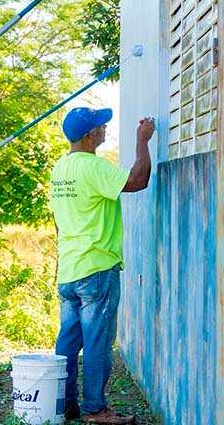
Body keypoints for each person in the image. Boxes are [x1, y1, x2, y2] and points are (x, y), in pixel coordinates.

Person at [49, 107, 155, 424]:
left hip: (69, 269)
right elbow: (138, 180)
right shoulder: (91, 167)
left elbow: (58, 220)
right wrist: (142, 140)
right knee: (97, 341)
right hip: (96, 268)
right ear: (88, 136)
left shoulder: (60, 169)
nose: (104, 128)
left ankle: (64, 403)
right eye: (100, 125)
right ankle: (95, 408)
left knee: (68, 341)